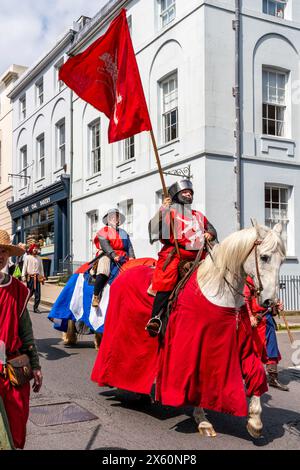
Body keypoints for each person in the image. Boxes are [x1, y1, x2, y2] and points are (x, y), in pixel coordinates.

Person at [146, 179, 218, 335]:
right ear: (177, 196)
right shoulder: (170, 212)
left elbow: (212, 230)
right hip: (177, 255)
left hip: (200, 255)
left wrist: (209, 234)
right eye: (185, 192)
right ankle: (156, 318)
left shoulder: (198, 215)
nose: (189, 194)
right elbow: (153, 232)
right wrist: (162, 211)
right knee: (167, 279)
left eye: (190, 192)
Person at [0, 229, 42, 449]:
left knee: (16, 428)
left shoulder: (17, 289)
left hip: (12, 368)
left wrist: (35, 365)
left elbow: (26, 332)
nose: (0, 254)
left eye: (4, 251)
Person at [244, 276, 289, 391]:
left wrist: (277, 306)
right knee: (254, 351)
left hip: (267, 320)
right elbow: (245, 300)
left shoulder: (267, 282)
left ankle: (273, 378)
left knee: (271, 349)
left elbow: (270, 301)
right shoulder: (249, 281)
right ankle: (252, 379)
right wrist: (249, 316)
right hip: (256, 321)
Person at [92, 208, 135, 308]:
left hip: (123, 256)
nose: (114, 219)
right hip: (107, 254)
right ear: (108, 220)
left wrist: (132, 257)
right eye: (111, 217)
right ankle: (96, 296)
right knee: (103, 270)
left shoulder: (123, 233)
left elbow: (129, 246)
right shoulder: (103, 231)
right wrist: (113, 255)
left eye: (116, 217)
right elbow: (105, 245)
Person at [22, 243, 45, 313]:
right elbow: (24, 267)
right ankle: (23, 305)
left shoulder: (39, 258)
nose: (35, 249)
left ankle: (36, 308)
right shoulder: (27, 257)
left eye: (36, 248)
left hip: (37, 278)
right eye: (34, 248)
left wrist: (42, 277)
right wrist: (23, 276)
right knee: (29, 293)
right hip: (30, 278)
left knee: (38, 294)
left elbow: (41, 268)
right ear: (31, 249)